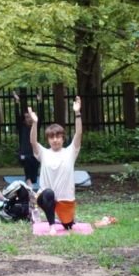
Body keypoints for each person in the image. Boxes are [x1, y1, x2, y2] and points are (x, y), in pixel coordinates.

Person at [29, 96, 83, 234]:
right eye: (51, 137)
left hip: (66, 198)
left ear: (63, 138)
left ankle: (65, 220)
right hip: (46, 197)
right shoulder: (44, 153)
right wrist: (34, 123)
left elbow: (78, 134)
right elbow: (33, 141)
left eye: (58, 137)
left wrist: (77, 113)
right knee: (48, 192)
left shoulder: (71, 151)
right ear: (48, 140)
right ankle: (52, 225)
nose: (55, 140)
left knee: (69, 226)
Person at [13, 90, 44, 188]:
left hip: (34, 153)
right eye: (27, 117)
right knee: (27, 160)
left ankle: (31, 179)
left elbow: (41, 115)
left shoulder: (36, 126)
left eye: (31, 117)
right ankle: (28, 180)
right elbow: (17, 116)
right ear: (24, 119)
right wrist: (17, 102)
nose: (29, 119)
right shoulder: (21, 127)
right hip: (24, 154)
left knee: (34, 166)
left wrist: (40, 102)